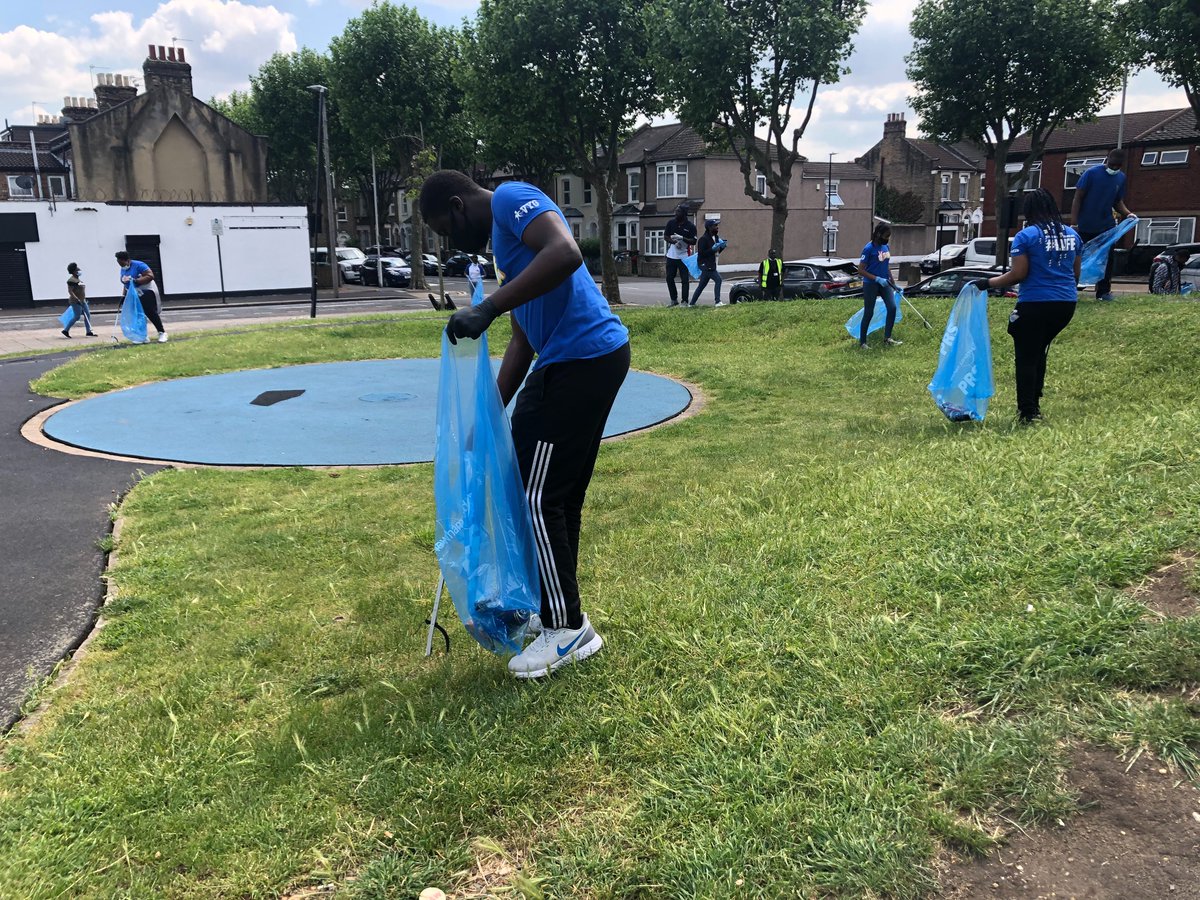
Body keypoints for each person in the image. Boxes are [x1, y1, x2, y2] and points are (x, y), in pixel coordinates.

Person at [420, 170, 630, 679]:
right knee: (552, 495)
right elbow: (524, 339)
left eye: (445, 229)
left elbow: (566, 252)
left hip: (582, 359)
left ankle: (568, 629)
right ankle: (557, 610)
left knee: (540, 497)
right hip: (570, 360)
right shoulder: (504, 250)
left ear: (458, 204)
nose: (450, 242)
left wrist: (486, 307)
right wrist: (485, 417)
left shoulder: (513, 198)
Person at [973, 188, 1081, 424]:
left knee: (1026, 357)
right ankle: (1035, 401)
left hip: (1034, 303)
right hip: (1065, 305)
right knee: (1039, 351)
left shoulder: (1027, 236)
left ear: (1029, 211)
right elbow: (1075, 274)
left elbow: (1018, 274)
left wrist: (986, 283)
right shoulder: (1072, 235)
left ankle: (1028, 411)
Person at [1069, 148, 1134, 301]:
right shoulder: (1091, 173)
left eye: (1118, 166)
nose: (1114, 168)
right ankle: (1071, 291)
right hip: (1084, 226)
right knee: (1078, 259)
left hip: (1106, 226)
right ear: (1107, 160)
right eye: (1112, 165)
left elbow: (1117, 202)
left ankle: (1103, 292)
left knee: (1107, 260)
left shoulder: (1121, 178)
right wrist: (1074, 223)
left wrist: (1128, 213)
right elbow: (1077, 198)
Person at [855, 223, 902, 349]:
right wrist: (876, 279)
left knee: (892, 308)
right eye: (886, 236)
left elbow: (886, 266)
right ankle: (863, 342)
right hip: (871, 284)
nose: (887, 238)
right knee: (869, 312)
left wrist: (893, 282)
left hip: (885, 283)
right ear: (879, 234)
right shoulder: (868, 248)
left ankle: (887, 338)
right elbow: (861, 270)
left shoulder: (886, 247)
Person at [115, 251, 168, 342]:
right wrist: (123, 295)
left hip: (146, 290)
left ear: (127, 260)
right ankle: (142, 335)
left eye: (122, 263)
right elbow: (126, 284)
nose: (121, 266)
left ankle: (162, 332)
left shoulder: (139, 265)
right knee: (137, 314)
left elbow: (150, 275)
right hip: (133, 292)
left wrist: (136, 280)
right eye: (119, 264)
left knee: (150, 312)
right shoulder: (123, 268)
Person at [663, 203, 696, 307]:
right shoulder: (671, 223)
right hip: (672, 255)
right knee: (669, 278)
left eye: (678, 211)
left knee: (685, 279)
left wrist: (682, 238)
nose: (676, 213)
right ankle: (674, 300)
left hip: (684, 256)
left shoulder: (690, 226)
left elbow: (694, 241)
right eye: (676, 211)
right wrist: (673, 242)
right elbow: (666, 236)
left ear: (684, 213)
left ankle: (685, 301)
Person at [688, 220, 727, 306]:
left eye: (717, 225)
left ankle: (691, 304)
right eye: (715, 225)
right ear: (709, 227)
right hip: (705, 265)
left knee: (701, 285)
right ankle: (717, 302)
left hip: (711, 264)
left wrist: (722, 247)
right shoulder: (703, 239)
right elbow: (702, 253)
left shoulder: (716, 238)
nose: (717, 227)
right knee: (718, 279)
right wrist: (712, 249)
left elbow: (716, 252)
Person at [62, 262, 96, 338]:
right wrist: (76, 299)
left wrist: (83, 299)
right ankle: (66, 330)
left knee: (87, 315)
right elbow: (70, 291)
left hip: (83, 301)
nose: (79, 269)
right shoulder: (71, 280)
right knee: (77, 316)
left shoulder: (78, 279)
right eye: (77, 268)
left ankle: (88, 331)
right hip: (75, 301)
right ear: (74, 271)